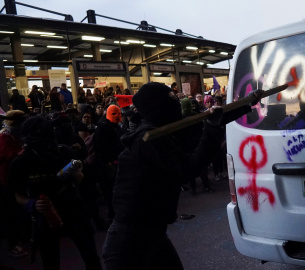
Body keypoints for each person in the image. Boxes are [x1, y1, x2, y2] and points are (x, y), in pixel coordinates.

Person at [102, 82, 256, 269]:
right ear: (157, 108)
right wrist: (212, 129)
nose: (176, 106)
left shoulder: (164, 130)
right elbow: (189, 169)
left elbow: (203, 123)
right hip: (130, 240)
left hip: (153, 233)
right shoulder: (150, 139)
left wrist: (248, 103)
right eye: (171, 102)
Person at [10, 115, 102, 270]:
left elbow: (79, 180)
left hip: (73, 207)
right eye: (46, 132)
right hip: (46, 214)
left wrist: (77, 174)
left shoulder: (64, 152)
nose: (52, 134)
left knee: (92, 257)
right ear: (34, 137)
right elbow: (17, 194)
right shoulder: (21, 162)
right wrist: (32, 204)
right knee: (51, 261)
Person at [0, 110, 29, 258]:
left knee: (19, 211)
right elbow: (11, 156)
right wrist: (25, 151)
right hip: (6, 181)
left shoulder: (16, 136)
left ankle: (23, 239)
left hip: (17, 180)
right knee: (10, 213)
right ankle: (13, 244)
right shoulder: (5, 137)